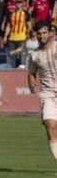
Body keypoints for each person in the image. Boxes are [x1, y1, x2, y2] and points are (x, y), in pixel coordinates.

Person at [27, 21, 57, 168]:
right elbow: (32, 73)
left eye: (44, 32)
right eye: (39, 33)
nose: (41, 36)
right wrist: (31, 85)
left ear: (51, 33)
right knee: (50, 125)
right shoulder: (34, 55)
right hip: (48, 94)